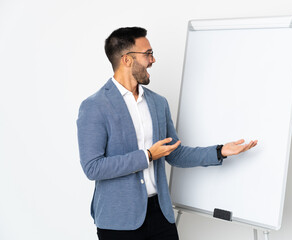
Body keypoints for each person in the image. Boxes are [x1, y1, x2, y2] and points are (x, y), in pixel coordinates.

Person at [77, 27, 258, 240]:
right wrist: (148, 156)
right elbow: (93, 168)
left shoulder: (157, 103)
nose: (153, 59)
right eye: (148, 53)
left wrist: (220, 151)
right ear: (127, 60)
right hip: (118, 221)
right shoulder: (95, 106)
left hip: (160, 214)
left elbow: (174, 153)